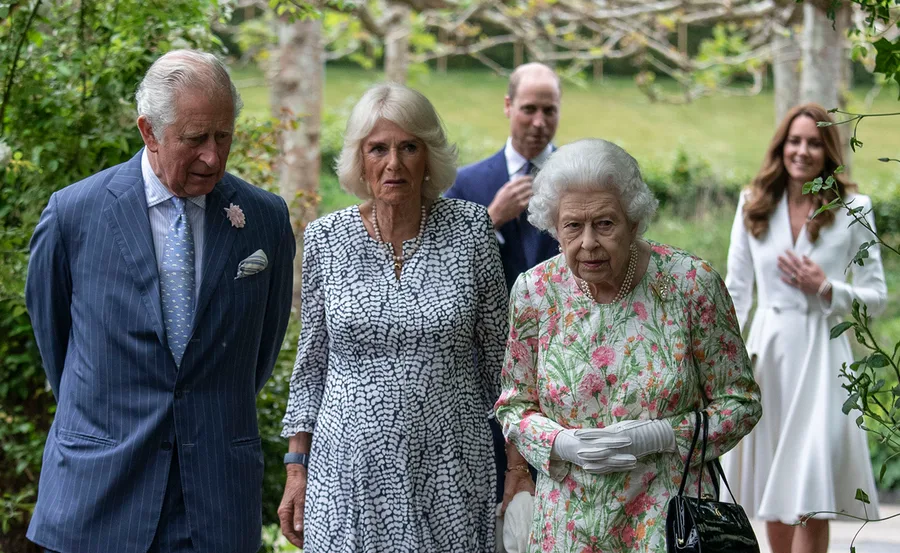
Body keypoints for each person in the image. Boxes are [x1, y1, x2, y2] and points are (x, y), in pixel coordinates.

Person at [24, 50, 295, 553]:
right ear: (148, 132)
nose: (213, 157)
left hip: (214, 501)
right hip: (98, 494)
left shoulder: (264, 219)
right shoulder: (74, 214)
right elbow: (54, 338)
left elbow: (261, 348)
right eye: (195, 139)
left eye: (224, 137)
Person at [277, 82, 520, 552]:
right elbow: (311, 367)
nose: (394, 163)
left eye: (409, 147)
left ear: (428, 156)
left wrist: (517, 469)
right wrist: (295, 470)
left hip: (451, 473)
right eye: (378, 149)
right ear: (359, 159)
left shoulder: (470, 229)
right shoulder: (327, 238)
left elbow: (503, 364)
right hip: (346, 475)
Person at [494, 138, 762, 553]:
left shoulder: (691, 285)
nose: (588, 243)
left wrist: (662, 435)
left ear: (634, 221)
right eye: (573, 226)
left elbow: (741, 402)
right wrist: (560, 443)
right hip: (567, 528)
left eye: (604, 224)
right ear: (554, 226)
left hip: (669, 523)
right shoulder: (534, 292)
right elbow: (513, 406)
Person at [721, 103, 886, 553]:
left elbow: (877, 296)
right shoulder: (752, 203)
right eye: (795, 140)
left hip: (823, 360)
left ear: (828, 150)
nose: (803, 150)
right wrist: (720, 363)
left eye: (814, 142)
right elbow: (736, 292)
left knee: (811, 490)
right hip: (766, 357)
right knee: (774, 491)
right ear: (781, 146)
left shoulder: (854, 209)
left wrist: (827, 288)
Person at [445, 61, 561, 509]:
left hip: (562, 361)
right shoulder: (466, 184)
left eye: (549, 110)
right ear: (508, 106)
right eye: (529, 108)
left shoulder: (579, 178)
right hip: (487, 368)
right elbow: (446, 275)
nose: (539, 122)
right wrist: (489, 219)